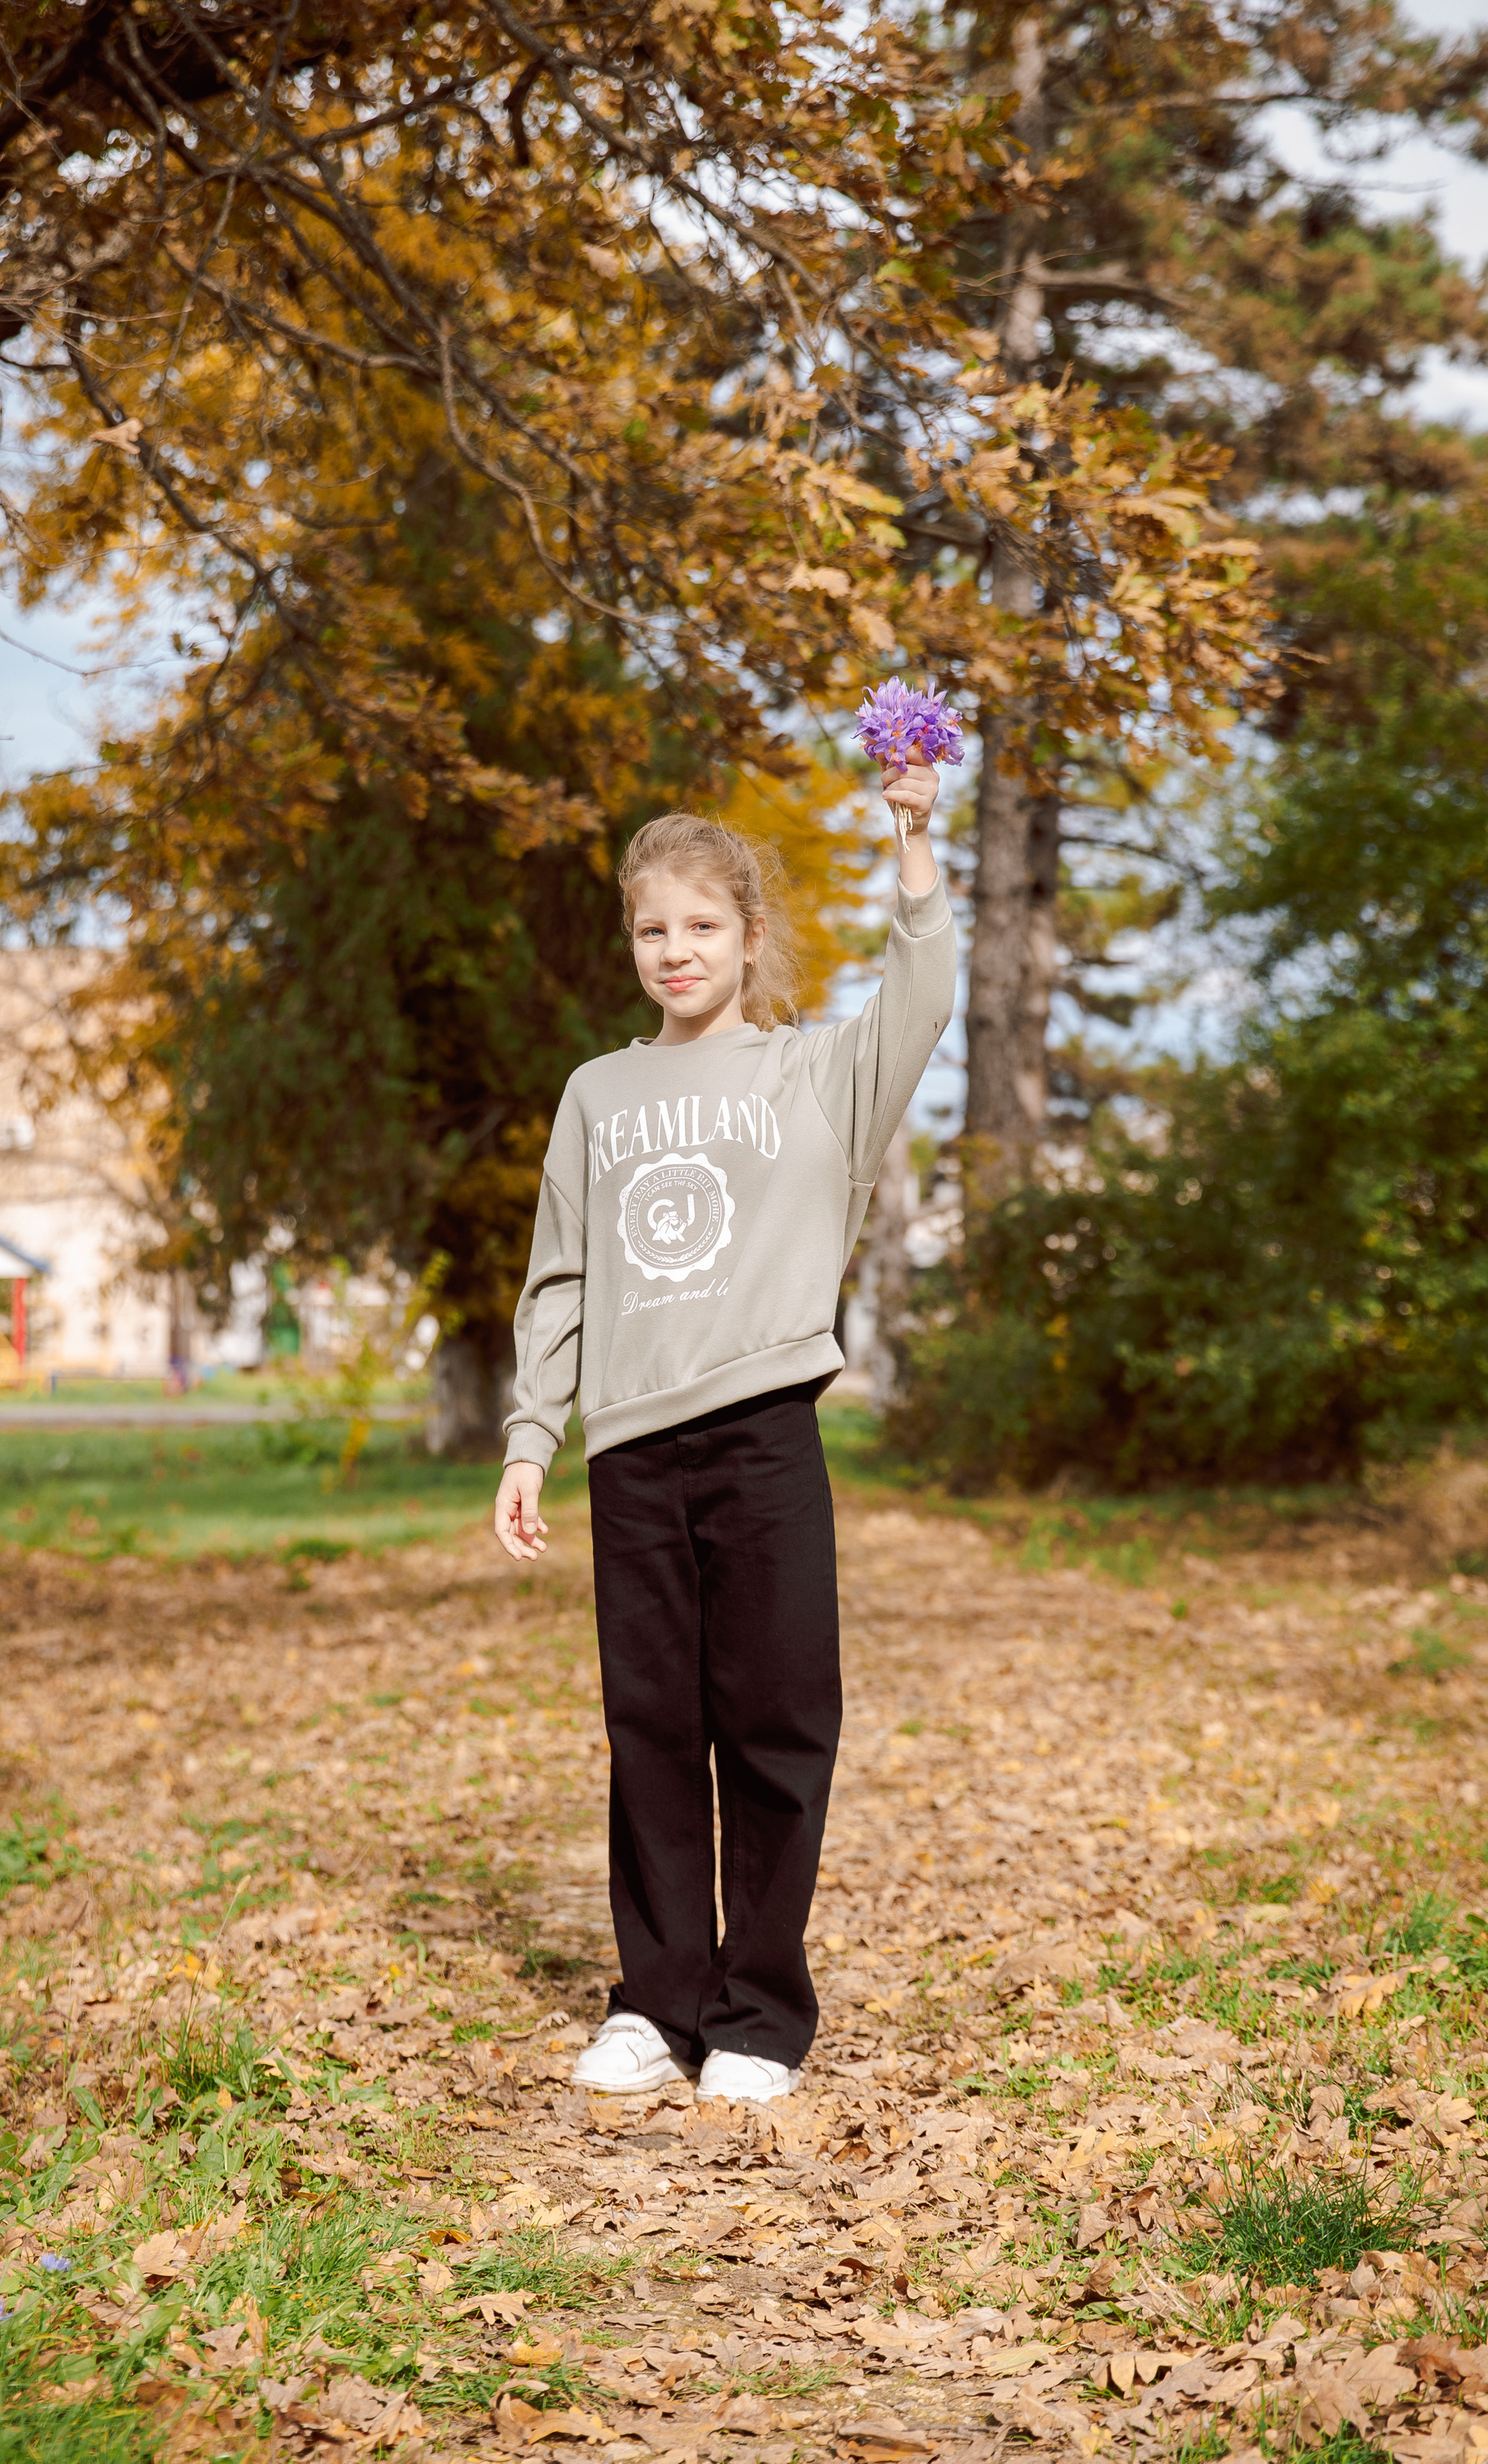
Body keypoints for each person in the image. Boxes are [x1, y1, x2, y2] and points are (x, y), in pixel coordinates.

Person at [493, 753, 955, 2104]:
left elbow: (922, 994)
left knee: (769, 1722)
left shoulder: (815, 1075)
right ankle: (655, 1999)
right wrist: (532, 1437)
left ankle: (754, 2013)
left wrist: (911, 842)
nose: (674, 951)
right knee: (648, 1725)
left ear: (751, 938)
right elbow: (560, 1278)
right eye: (652, 928)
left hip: (761, 1438)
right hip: (632, 1449)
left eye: (701, 926)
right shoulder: (596, 1094)